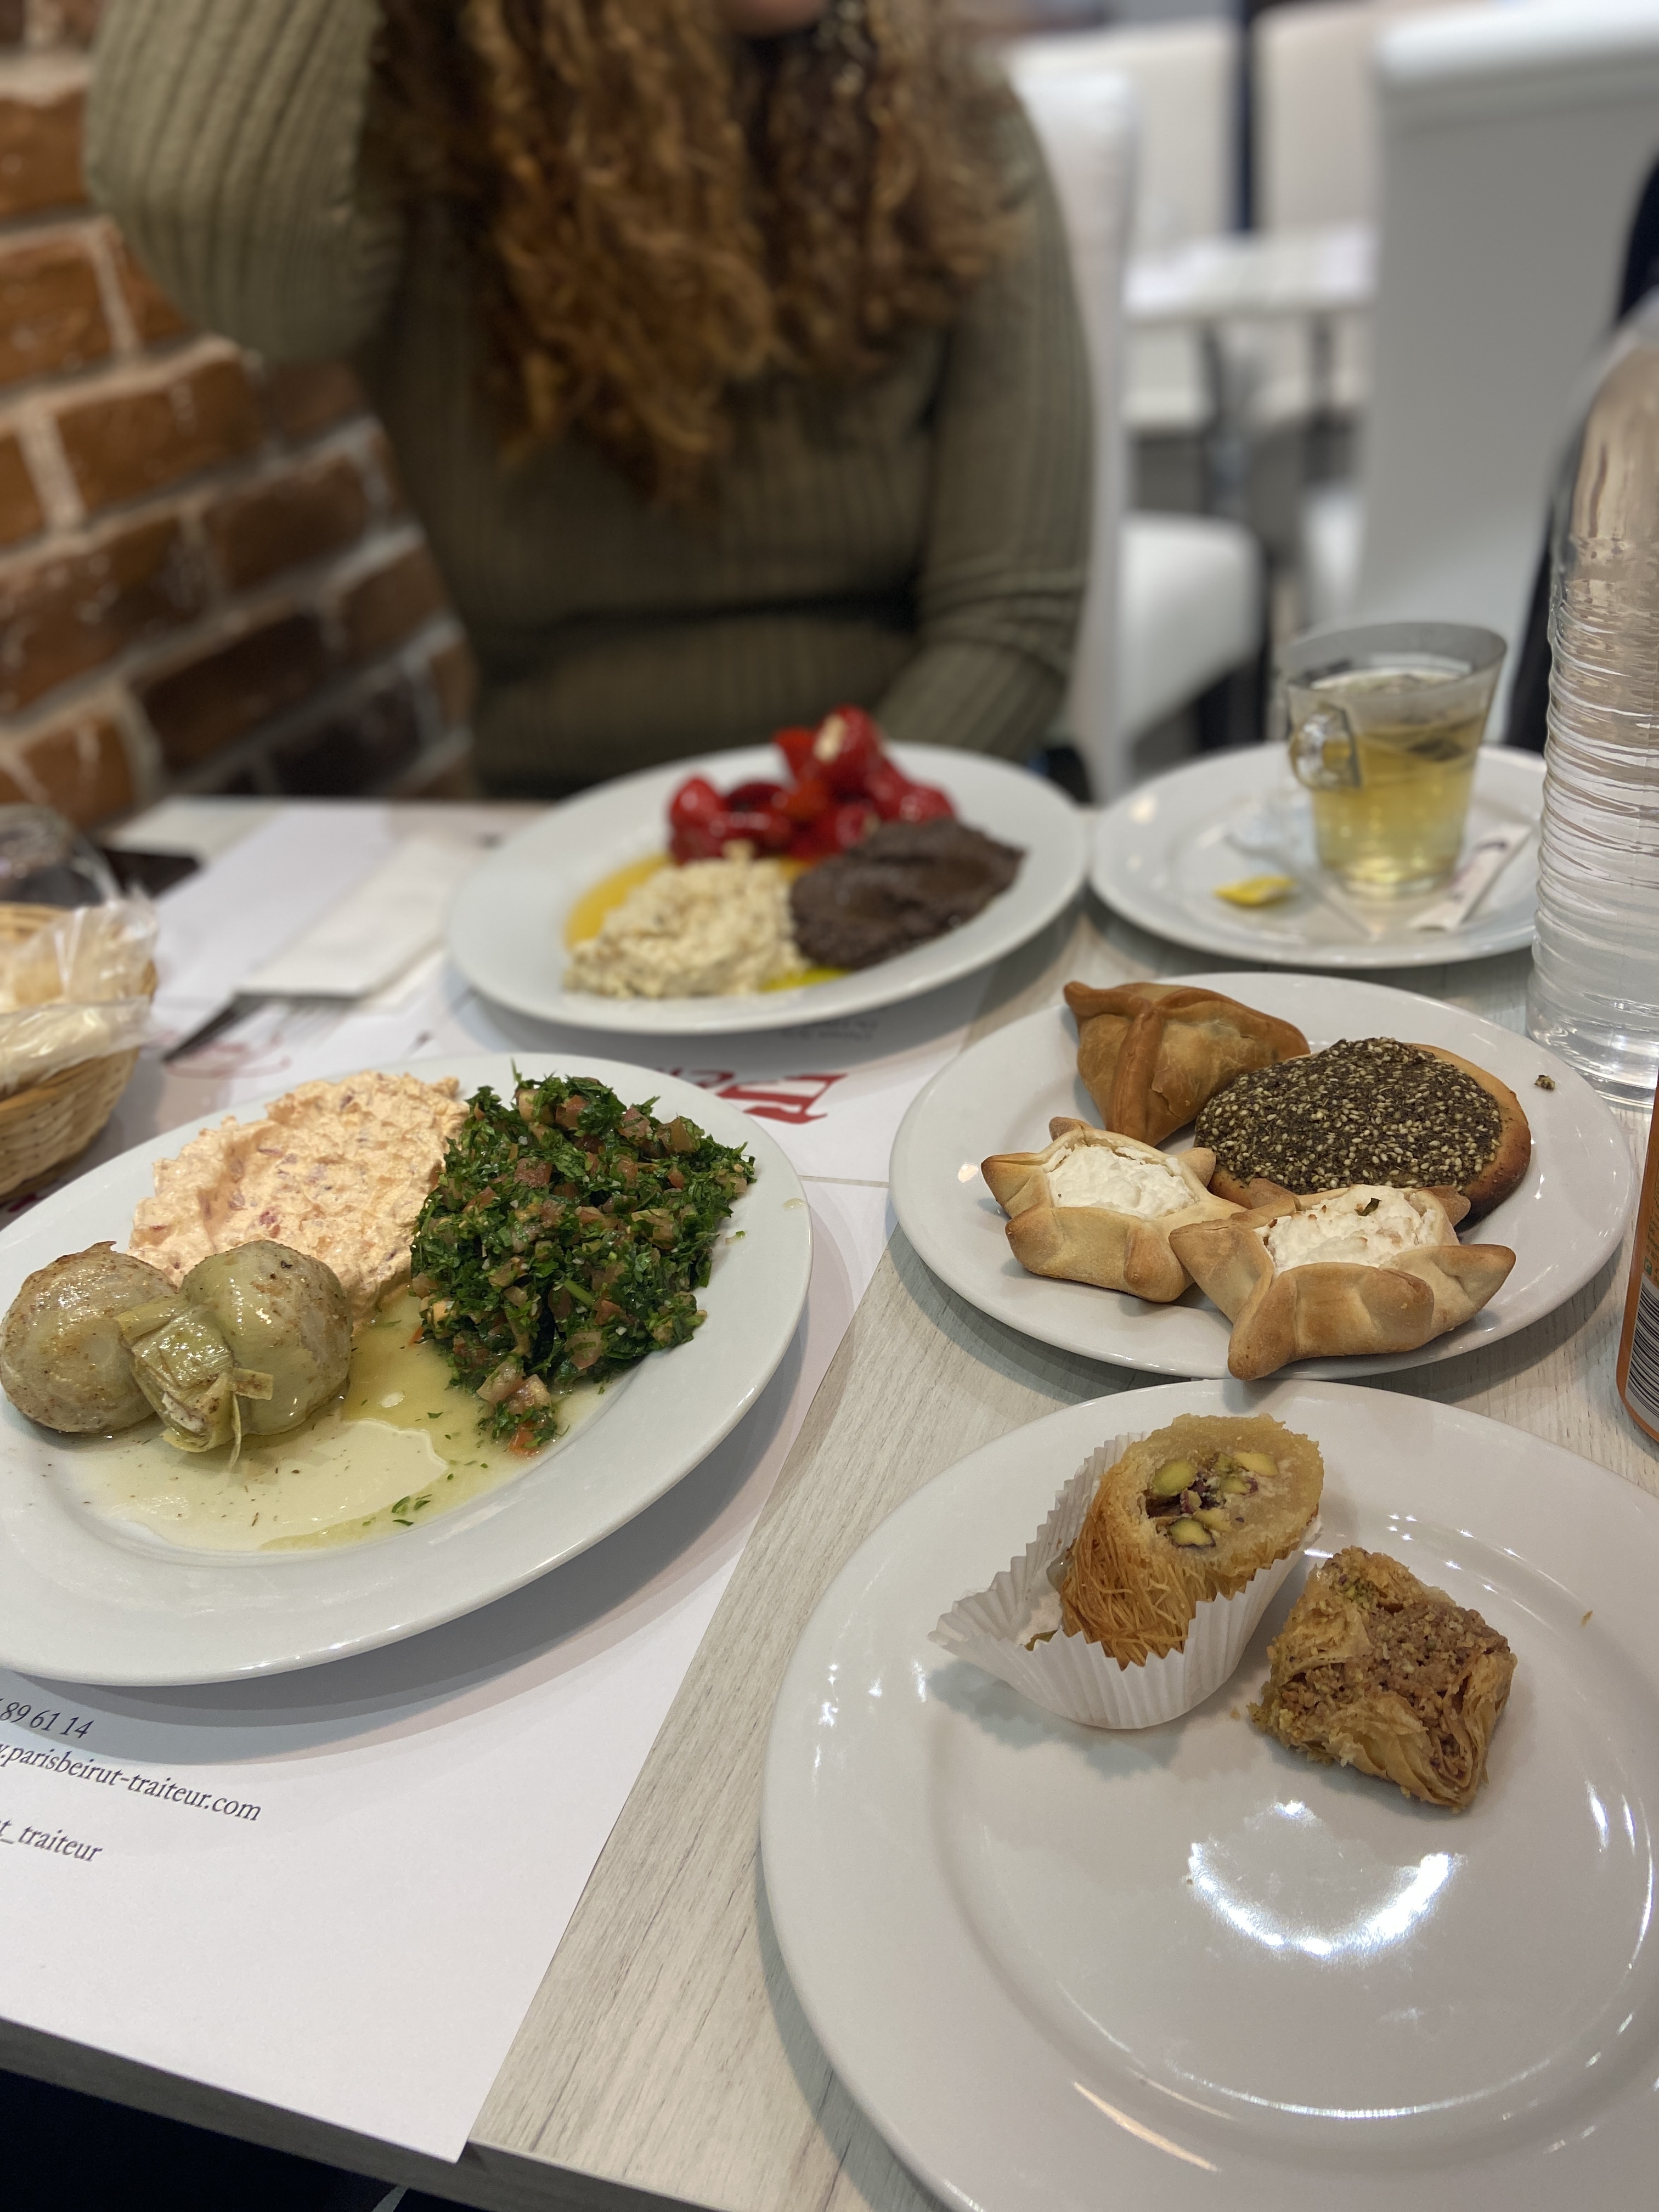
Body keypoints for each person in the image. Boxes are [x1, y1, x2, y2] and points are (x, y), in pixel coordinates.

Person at [88, 0, 1092, 798]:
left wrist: (818, 848)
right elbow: (192, 188)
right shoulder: (429, 149)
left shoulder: (954, 122)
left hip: (916, 807)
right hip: (558, 855)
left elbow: (1011, 620)